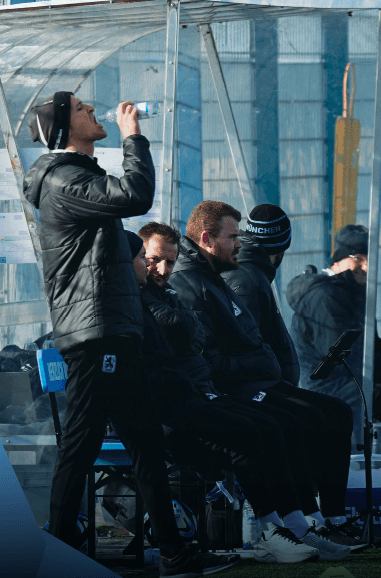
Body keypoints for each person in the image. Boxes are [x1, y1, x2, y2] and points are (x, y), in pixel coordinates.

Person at [22, 92, 235, 576]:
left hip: (115, 330)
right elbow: (136, 196)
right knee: (81, 441)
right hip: (95, 332)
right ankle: (53, 548)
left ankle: (173, 552)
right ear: (60, 128)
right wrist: (133, 136)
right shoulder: (63, 178)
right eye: (80, 108)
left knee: (144, 443)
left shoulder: (79, 175)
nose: (92, 110)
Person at [129, 230, 348, 563]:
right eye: (153, 260)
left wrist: (188, 328)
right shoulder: (145, 297)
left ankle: (299, 525)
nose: (161, 269)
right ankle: (273, 531)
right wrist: (189, 329)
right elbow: (181, 333)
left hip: (199, 393)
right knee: (259, 429)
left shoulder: (177, 290)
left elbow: (196, 334)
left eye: (169, 262)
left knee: (276, 424)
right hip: (176, 406)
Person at [167, 201, 356, 530]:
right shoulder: (209, 283)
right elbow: (210, 359)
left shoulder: (219, 277)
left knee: (334, 412)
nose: (240, 243)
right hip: (234, 391)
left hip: (257, 382)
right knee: (295, 421)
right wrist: (258, 364)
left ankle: (320, 517)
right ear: (208, 239)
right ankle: (292, 524)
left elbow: (248, 338)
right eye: (233, 236)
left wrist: (261, 360)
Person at [287, 225, 381, 433]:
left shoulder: (352, 292)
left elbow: (372, 349)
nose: (366, 267)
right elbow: (347, 359)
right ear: (340, 260)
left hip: (352, 377)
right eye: (359, 258)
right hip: (329, 386)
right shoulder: (326, 297)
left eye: (369, 259)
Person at [222, 204, 299, 385]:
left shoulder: (249, 272)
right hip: (260, 390)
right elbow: (243, 349)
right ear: (280, 248)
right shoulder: (250, 282)